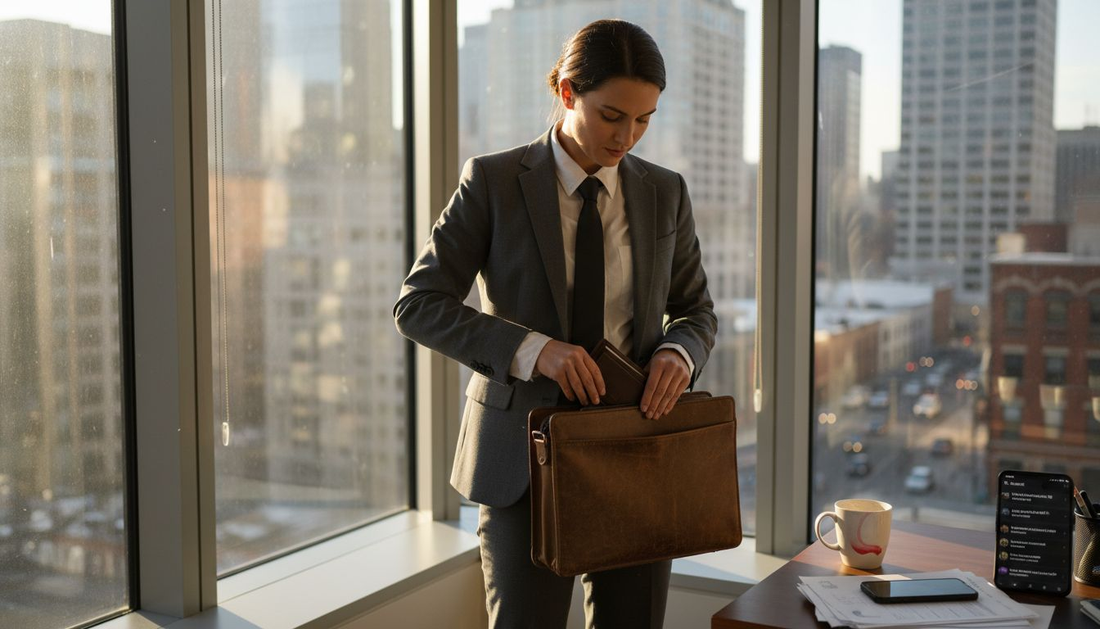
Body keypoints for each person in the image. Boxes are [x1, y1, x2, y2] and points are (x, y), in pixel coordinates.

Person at [394, 19, 716, 629]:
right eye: (611, 115)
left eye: (645, 119)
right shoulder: (492, 182)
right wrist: (533, 350)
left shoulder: (664, 192)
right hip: (522, 460)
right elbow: (418, 304)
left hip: (636, 450)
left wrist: (680, 353)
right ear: (567, 92)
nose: (627, 136)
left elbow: (696, 311)